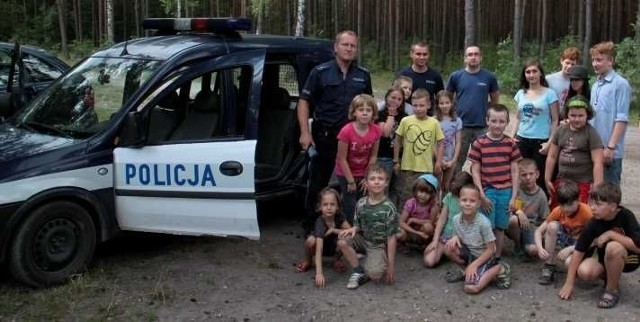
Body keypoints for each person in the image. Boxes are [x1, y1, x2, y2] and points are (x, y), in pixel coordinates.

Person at [297, 30, 373, 234]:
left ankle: (350, 231)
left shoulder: (363, 76)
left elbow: (369, 107)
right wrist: (305, 132)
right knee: (318, 186)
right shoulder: (320, 72)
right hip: (326, 139)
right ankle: (312, 230)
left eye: (353, 46)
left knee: (352, 187)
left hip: (354, 142)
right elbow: (304, 102)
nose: (349, 49)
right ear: (335, 47)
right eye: (345, 44)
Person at [558, 182, 640, 309]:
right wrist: (569, 283)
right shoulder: (594, 222)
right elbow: (579, 251)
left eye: (598, 204)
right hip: (604, 260)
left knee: (613, 247)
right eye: (592, 203)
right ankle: (611, 276)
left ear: (613, 206)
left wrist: (611, 234)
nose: (592, 207)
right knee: (585, 272)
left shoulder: (626, 216)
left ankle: (611, 291)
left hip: (629, 259)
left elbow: (638, 247)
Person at [468, 104, 522, 260]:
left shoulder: (510, 143)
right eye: (494, 121)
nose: (497, 125)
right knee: (486, 226)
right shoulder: (480, 143)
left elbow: (515, 170)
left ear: (507, 122)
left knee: (500, 226)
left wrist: (513, 196)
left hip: (505, 191)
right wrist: (481, 194)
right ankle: (486, 255)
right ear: (487, 121)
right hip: (487, 190)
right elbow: (475, 171)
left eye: (501, 121)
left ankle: (496, 256)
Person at [338, 164, 399, 290]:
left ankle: (372, 263)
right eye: (372, 179)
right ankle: (358, 270)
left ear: (386, 183)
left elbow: (392, 238)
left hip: (378, 245)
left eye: (380, 179)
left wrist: (391, 267)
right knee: (342, 241)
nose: (376, 182)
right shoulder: (361, 203)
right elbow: (358, 225)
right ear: (366, 183)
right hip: (363, 239)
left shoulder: (389, 208)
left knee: (375, 275)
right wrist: (353, 229)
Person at [444, 184, 512, 293]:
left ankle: (499, 268)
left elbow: (491, 250)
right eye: (464, 200)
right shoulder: (456, 219)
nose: (467, 204)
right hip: (470, 253)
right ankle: (466, 270)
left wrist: (475, 265)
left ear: (478, 203)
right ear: (458, 201)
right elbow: (456, 234)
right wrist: (454, 237)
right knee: (448, 247)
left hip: (485, 258)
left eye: (472, 201)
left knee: (470, 288)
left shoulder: (483, 223)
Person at [445, 46, 500, 174]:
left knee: (484, 161)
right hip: (460, 127)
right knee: (456, 161)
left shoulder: (489, 77)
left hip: (482, 127)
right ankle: (452, 190)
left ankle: (479, 190)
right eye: (470, 54)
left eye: (476, 54)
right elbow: (447, 98)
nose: (473, 57)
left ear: (481, 58)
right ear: (465, 58)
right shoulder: (456, 76)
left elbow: (495, 100)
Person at [545, 95, 603, 208]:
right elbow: (552, 156)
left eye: (581, 116)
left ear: (587, 115)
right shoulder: (561, 130)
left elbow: (598, 162)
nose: (576, 119)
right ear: (567, 114)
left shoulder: (591, 133)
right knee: (559, 211)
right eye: (573, 115)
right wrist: (547, 178)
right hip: (562, 180)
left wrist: (597, 187)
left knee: (580, 212)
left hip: (583, 182)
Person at [512, 59, 559, 195]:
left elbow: (555, 119)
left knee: (538, 177)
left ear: (540, 74)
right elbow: (517, 117)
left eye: (534, 71)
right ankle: (519, 208)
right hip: (522, 140)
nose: (531, 75)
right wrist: (512, 137)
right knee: (520, 176)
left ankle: (540, 210)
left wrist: (550, 142)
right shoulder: (521, 93)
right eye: (528, 72)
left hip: (541, 142)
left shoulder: (550, 94)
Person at [392, 89, 444, 208]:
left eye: (421, 105)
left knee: (424, 198)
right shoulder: (406, 121)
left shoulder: (434, 122)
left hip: (426, 168)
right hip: (407, 168)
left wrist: (439, 162)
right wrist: (396, 160)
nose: (418, 108)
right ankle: (402, 221)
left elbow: (441, 143)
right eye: (415, 105)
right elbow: (397, 139)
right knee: (406, 196)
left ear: (429, 105)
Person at [534, 180, 592, 285]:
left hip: (582, 243)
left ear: (578, 199)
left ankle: (581, 267)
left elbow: (594, 239)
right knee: (551, 226)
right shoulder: (558, 210)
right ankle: (549, 266)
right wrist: (539, 248)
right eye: (562, 204)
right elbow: (538, 231)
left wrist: (572, 249)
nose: (565, 209)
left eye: (569, 204)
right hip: (566, 238)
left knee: (568, 263)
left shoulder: (587, 213)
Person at [589, 41, 631, 185]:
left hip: (610, 150)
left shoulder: (620, 84)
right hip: (594, 147)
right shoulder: (595, 85)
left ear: (610, 61)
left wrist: (611, 147)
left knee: (609, 195)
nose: (595, 63)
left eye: (599, 60)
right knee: (594, 193)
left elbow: (622, 119)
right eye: (593, 60)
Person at [335, 94, 382, 224]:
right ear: (354, 112)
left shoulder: (376, 131)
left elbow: (373, 156)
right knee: (350, 203)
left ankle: (362, 229)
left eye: (368, 110)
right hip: (345, 172)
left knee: (364, 202)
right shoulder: (346, 131)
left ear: (373, 113)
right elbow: (342, 159)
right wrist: (350, 181)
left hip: (364, 171)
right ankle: (349, 229)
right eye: (361, 110)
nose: (365, 113)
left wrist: (367, 177)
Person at [294, 188, 351, 288]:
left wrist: (334, 230)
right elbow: (319, 249)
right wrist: (319, 273)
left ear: (337, 207)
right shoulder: (320, 222)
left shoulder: (339, 216)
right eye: (325, 204)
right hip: (318, 248)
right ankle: (308, 261)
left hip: (333, 247)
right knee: (310, 240)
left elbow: (350, 231)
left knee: (346, 238)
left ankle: (336, 259)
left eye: (332, 204)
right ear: (320, 207)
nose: (329, 207)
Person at [424, 171, 474, 268]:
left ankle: (464, 265)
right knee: (428, 261)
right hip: (445, 236)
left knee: (450, 249)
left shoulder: (469, 202)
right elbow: (442, 220)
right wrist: (435, 240)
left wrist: (457, 238)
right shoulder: (449, 197)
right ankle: (443, 252)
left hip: (460, 239)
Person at [506, 158, 550, 259]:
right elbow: (508, 207)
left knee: (533, 251)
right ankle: (518, 246)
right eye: (524, 175)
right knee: (513, 220)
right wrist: (518, 211)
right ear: (518, 176)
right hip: (514, 224)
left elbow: (545, 219)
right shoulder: (515, 190)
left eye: (531, 174)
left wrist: (539, 236)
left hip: (531, 227)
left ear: (537, 174)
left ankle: (528, 245)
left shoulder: (541, 195)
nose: (528, 177)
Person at [396, 174, 440, 253]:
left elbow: (431, 221)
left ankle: (424, 244)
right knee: (398, 233)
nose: (423, 195)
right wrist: (417, 233)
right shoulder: (411, 202)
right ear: (416, 190)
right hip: (411, 231)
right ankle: (402, 243)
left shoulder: (433, 205)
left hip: (424, 233)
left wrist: (413, 220)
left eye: (427, 193)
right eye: (421, 191)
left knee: (428, 227)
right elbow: (401, 222)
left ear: (432, 195)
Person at [396, 42, 444, 114]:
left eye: (425, 54)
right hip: (406, 117)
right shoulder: (403, 74)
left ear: (429, 55)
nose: (422, 57)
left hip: (428, 118)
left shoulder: (435, 76)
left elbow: (441, 99)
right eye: (418, 54)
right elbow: (394, 96)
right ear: (411, 54)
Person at [376, 87, 407, 179]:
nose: (396, 101)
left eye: (399, 99)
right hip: (382, 156)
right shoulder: (380, 114)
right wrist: (391, 115)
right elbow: (385, 133)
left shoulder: (405, 117)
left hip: (399, 157)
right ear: (386, 97)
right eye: (393, 98)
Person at [435, 90, 462, 194]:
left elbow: (458, 142)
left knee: (446, 185)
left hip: (451, 159)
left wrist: (453, 160)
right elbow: (432, 143)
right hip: (437, 159)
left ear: (452, 103)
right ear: (437, 105)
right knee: (435, 185)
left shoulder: (457, 121)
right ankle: (435, 207)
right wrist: (439, 160)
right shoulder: (434, 120)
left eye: (447, 103)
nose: (444, 106)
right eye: (441, 103)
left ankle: (444, 208)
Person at [546, 47, 580, 118]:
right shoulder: (549, 79)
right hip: (550, 118)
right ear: (561, 61)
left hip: (569, 120)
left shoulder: (577, 82)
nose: (569, 66)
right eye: (567, 63)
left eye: (573, 64)